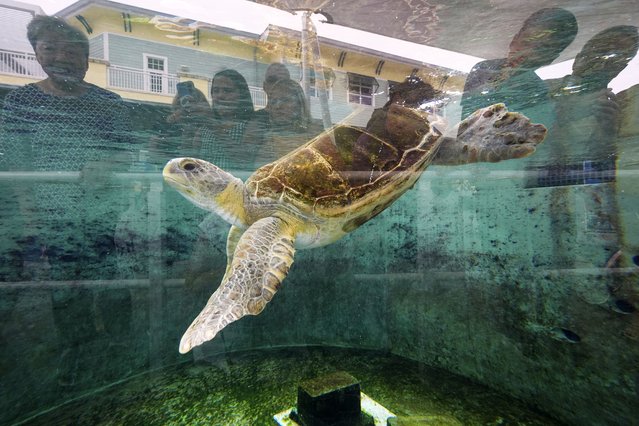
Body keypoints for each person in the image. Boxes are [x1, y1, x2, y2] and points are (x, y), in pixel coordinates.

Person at [0, 16, 133, 386]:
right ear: (36, 54)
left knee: (113, 284)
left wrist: (107, 162)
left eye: (72, 49)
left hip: (107, 215)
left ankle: (127, 349)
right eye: (50, 48)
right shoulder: (20, 101)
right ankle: (78, 352)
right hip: (52, 220)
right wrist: (29, 216)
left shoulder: (109, 102)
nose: (62, 56)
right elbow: (13, 162)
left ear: (87, 59)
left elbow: (129, 153)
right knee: (66, 291)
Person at [460, 8, 578, 122]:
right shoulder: (483, 68)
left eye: (541, 49)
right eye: (526, 41)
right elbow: (465, 115)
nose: (526, 53)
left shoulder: (537, 96)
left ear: (550, 58)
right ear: (514, 40)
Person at [196, 69, 257, 171]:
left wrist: (214, 125)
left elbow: (245, 161)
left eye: (227, 91)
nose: (220, 96)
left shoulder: (251, 125)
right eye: (216, 91)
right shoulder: (203, 130)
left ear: (242, 95)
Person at [254, 78, 323, 165]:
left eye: (285, 100)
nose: (278, 106)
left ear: (299, 103)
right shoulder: (267, 141)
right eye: (274, 101)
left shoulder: (318, 135)